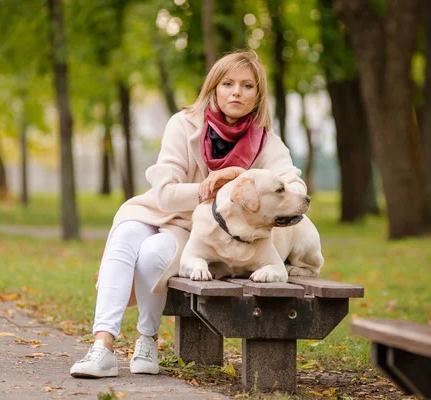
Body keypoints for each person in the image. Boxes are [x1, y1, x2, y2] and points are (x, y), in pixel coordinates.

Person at [70, 50, 306, 378]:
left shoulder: (266, 142)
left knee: (155, 254)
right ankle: (102, 347)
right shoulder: (184, 124)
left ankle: (147, 339)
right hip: (158, 209)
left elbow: (294, 186)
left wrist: (237, 175)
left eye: (247, 85)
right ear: (213, 88)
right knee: (126, 235)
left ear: (258, 95)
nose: (236, 91)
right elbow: (165, 193)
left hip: (198, 228)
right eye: (227, 83)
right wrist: (210, 187)